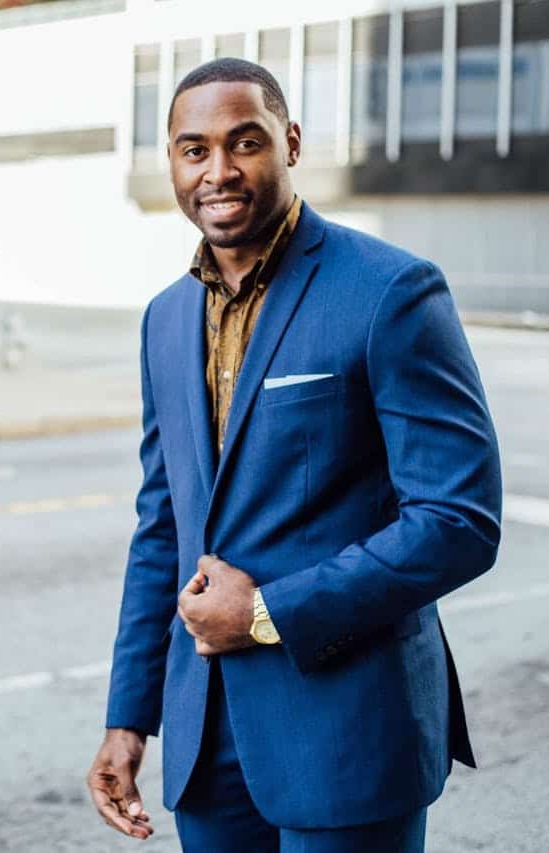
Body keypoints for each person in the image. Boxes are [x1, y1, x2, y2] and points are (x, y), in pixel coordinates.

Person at [85, 58, 503, 853]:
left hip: (347, 727)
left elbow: (459, 520)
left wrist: (269, 611)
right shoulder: (165, 320)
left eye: (245, 142)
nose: (220, 171)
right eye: (194, 149)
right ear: (170, 162)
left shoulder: (389, 290)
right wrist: (129, 714)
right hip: (206, 736)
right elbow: (163, 527)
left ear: (292, 144)